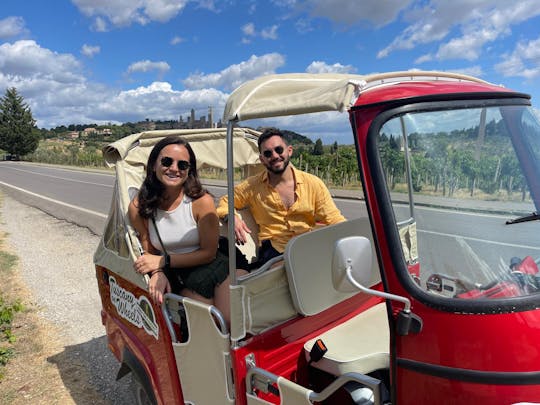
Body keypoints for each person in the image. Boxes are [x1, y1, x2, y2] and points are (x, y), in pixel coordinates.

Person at [129, 136, 234, 324]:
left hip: (210, 265)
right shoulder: (139, 206)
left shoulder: (201, 202)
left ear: (189, 171)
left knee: (230, 320)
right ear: (154, 165)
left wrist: (163, 262)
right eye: (167, 161)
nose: (174, 169)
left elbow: (209, 253)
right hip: (178, 274)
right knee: (208, 324)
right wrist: (157, 273)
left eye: (183, 165)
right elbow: (149, 251)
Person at [216, 128, 346, 267]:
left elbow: (333, 218)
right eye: (268, 153)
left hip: (307, 245)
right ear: (262, 159)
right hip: (274, 249)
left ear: (289, 150)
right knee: (294, 268)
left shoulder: (313, 183)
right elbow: (225, 201)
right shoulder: (252, 186)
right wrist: (231, 217)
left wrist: (355, 235)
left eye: (279, 149)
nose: (275, 156)